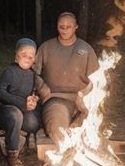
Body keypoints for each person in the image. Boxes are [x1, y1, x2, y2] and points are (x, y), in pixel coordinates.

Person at [33, 12, 99, 143]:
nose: (64, 30)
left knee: (91, 126)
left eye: (68, 27)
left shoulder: (85, 49)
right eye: (61, 26)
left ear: (76, 27)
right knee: (58, 126)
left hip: (81, 100)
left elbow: (97, 79)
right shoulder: (46, 47)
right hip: (56, 98)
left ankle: (84, 157)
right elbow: (32, 73)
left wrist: (84, 94)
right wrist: (42, 88)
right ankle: (63, 157)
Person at [0, 38, 46, 166]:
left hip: (23, 113)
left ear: (34, 59)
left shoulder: (32, 75)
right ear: (16, 56)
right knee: (16, 114)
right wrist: (22, 102)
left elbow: (33, 93)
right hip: (6, 113)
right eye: (24, 54)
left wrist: (33, 100)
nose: (27, 58)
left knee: (34, 122)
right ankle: (12, 160)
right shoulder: (10, 71)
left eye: (31, 56)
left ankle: (22, 143)